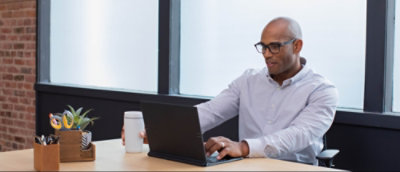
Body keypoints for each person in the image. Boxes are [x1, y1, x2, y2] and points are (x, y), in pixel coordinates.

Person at [122, 16, 338, 165]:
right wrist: (160, 130)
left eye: (275, 46)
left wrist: (243, 147)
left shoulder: (322, 90)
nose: (267, 54)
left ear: (297, 46)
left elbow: (298, 136)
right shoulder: (248, 80)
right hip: (246, 166)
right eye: (263, 47)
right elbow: (211, 111)